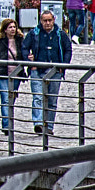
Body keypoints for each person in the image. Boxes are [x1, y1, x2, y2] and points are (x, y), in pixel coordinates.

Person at [23, 7, 73, 135]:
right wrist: (29, 61)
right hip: (37, 70)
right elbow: (24, 47)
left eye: (49, 20)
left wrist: (63, 65)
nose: (47, 23)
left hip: (55, 71)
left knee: (52, 100)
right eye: (45, 21)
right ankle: (39, 123)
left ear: (53, 20)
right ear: (41, 21)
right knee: (38, 97)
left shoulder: (60, 34)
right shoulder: (34, 33)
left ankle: (49, 126)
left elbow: (68, 49)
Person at [0, 19, 24, 131]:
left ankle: (8, 121)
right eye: (10, 27)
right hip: (2, 74)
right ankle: (6, 125)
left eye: (14, 27)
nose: (13, 29)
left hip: (16, 74)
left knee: (11, 99)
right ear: (5, 29)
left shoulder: (20, 40)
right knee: (5, 99)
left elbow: (24, 54)